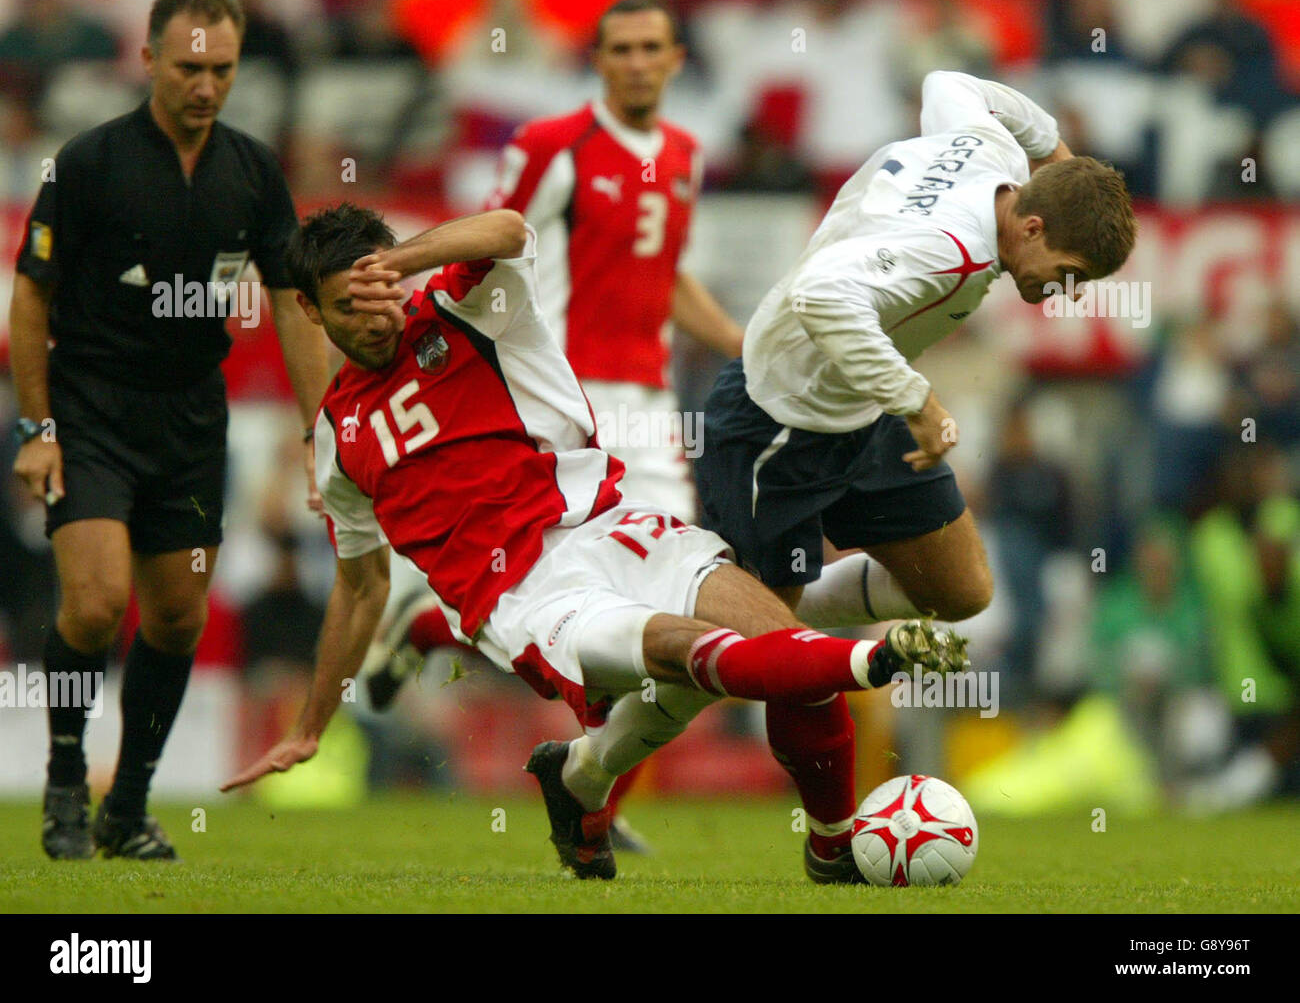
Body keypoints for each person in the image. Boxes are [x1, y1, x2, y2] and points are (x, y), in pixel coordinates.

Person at [220, 203, 969, 882]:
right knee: (683, 651)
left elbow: (509, 229)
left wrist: (405, 262)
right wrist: (310, 728)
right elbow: (358, 589)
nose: (377, 318)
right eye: (351, 306)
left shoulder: (469, 305)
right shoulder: (335, 440)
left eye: (384, 291)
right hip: (526, 595)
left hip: (610, 525)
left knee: (790, 654)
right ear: (311, 314)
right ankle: (876, 655)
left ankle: (831, 848)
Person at [693, 70, 1137, 868]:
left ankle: (766, 615)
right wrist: (919, 401)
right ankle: (815, 835)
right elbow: (824, 295)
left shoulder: (992, 149)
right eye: (1065, 272)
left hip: (862, 407)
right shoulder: (958, 250)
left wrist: (1063, 159)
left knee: (961, 591)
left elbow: (945, 80)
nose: (1061, 293)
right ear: (1030, 226)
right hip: (781, 419)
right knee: (773, 666)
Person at [362, 0, 744, 847]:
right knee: (557, 594)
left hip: (648, 407)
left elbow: (665, 273)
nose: (637, 62)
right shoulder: (551, 146)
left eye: (653, 47)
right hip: (567, 402)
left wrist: (739, 343)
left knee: (678, 594)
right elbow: (488, 248)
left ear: (677, 57)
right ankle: (446, 634)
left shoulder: (683, 156)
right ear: (597, 59)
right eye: (620, 49)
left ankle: (586, 781)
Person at [10, 0, 329, 860]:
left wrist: (319, 431)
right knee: (98, 600)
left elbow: (293, 301)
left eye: (221, 69)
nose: (205, 85)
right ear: (148, 59)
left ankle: (129, 807)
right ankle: (68, 782)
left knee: (180, 616)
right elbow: (30, 301)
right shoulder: (87, 162)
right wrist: (38, 430)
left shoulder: (253, 170)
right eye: (188, 67)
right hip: (91, 412)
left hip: (191, 420)